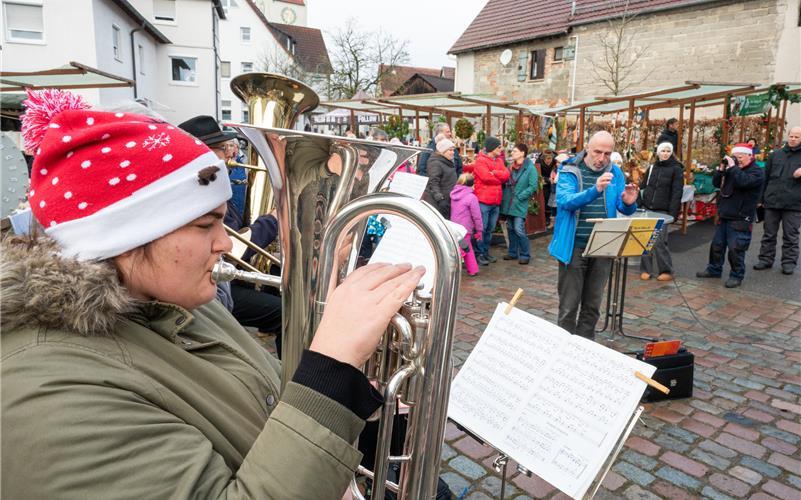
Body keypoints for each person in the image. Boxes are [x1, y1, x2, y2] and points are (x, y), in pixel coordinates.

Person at [2, 89, 426, 498]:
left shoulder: (173, 297)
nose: (226, 244)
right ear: (125, 236)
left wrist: (345, 397)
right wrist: (332, 365)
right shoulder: (47, 395)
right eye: (206, 225)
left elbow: (260, 396)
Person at [178, 115, 284, 352]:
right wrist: (271, 221)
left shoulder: (213, 185)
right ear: (202, 152)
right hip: (219, 281)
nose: (229, 155)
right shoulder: (199, 194)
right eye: (222, 149)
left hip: (229, 278)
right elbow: (235, 248)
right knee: (283, 310)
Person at [548, 131, 638, 339]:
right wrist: (595, 190)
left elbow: (621, 207)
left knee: (592, 305)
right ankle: (562, 352)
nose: (602, 158)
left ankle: (584, 351)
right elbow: (565, 201)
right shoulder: (570, 169)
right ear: (587, 148)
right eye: (598, 152)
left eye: (607, 153)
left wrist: (629, 202)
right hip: (574, 246)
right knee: (569, 307)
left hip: (603, 246)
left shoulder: (615, 172)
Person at [696, 143, 765, 288]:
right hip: (726, 213)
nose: (738, 160)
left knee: (736, 248)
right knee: (717, 245)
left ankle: (736, 276)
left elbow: (744, 182)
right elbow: (716, 183)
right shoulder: (732, 169)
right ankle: (714, 269)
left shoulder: (757, 171)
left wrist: (733, 167)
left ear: (749, 156)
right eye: (736, 157)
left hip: (741, 216)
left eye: (740, 157)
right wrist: (721, 170)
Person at [754, 126, 801, 275]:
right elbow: (765, 178)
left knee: (790, 235)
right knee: (769, 233)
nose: (793, 139)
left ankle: (788, 263)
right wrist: (760, 199)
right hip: (772, 201)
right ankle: (765, 259)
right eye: (791, 136)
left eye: (797, 137)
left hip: (794, 203)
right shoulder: (776, 155)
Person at [639, 142, 684, 281]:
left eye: (667, 151)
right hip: (647, 208)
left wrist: (673, 213)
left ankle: (666, 270)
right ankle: (646, 269)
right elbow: (643, 187)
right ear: (658, 152)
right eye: (662, 150)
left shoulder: (676, 169)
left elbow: (677, 192)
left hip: (663, 210)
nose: (665, 153)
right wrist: (640, 203)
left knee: (659, 242)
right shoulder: (652, 168)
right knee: (645, 240)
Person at [472, 136, 510, 265]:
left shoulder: (499, 160)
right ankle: (479, 253)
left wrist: (495, 173)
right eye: (499, 147)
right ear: (492, 148)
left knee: (490, 229)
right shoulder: (480, 161)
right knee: (481, 229)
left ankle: (485, 252)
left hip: (495, 201)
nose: (501, 149)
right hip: (483, 200)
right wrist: (497, 176)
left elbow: (506, 175)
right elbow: (485, 177)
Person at [501, 143, 538, 265]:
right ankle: (512, 252)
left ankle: (525, 254)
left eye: (515, 151)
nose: (512, 153)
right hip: (509, 202)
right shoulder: (510, 167)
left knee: (518, 229)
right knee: (511, 228)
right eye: (512, 151)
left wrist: (521, 196)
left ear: (523, 153)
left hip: (519, 203)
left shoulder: (530, 168)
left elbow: (533, 186)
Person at [450, 173, 483, 277]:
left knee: (467, 247)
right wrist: (479, 230)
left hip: (454, 226)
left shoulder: (453, 194)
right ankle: (450, 269)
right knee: (462, 250)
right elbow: (477, 216)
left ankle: (473, 269)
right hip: (465, 228)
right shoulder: (471, 197)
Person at [423, 138, 458, 218]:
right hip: (438, 202)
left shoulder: (447, 161)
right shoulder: (435, 163)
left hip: (447, 199)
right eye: (450, 150)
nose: (453, 153)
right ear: (442, 151)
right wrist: (440, 199)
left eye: (453, 150)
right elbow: (433, 182)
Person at [536, 149, 558, 227]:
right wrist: (547, 179)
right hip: (545, 181)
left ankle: (552, 218)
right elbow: (538, 174)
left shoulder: (555, 160)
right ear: (543, 159)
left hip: (554, 180)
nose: (548, 161)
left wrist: (553, 178)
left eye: (550, 159)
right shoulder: (538, 161)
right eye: (547, 160)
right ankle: (546, 218)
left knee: (553, 200)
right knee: (545, 198)